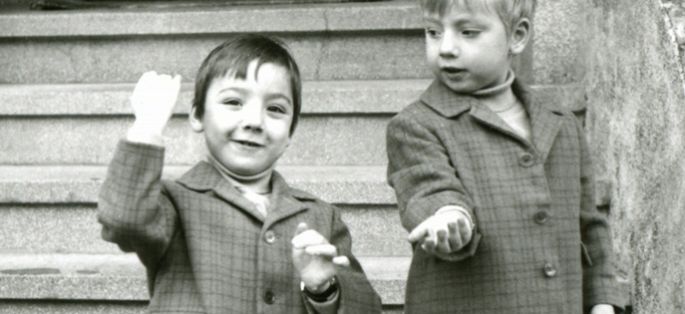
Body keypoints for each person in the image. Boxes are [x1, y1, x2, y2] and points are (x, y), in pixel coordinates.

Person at [98, 35, 382, 314]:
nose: (254, 121)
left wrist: (323, 289)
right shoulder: (172, 202)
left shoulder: (320, 217)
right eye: (234, 102)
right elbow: (124, 220)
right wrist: (146, 128)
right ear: (197, 115)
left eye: (275, 109)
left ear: (290, 133)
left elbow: (367, 308)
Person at [385, 1, 625, 313]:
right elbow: (428, 187)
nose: (445, 48)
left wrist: (603, 301)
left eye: (468, 32)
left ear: (517, 36)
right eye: (433, 32)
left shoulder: (561, 122)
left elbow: (589, 225)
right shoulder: (416, 125)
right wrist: (448, 217)